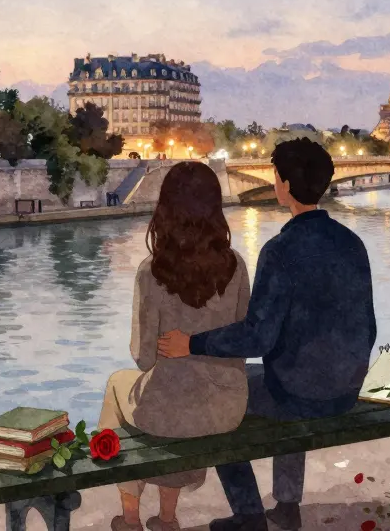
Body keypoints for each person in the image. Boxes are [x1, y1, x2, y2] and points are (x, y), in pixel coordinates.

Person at [157, 138, 376, 531]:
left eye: (276, 176)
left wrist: (192, 343)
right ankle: (287, 506)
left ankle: (249, 514)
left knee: (220, 400)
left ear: (286, 185)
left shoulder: (280, 250)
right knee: (287, 376)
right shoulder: (352, 243)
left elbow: (258, 338)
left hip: (300, 394)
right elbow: (367, 326)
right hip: (346, 389)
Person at [97, 161, 251, 531]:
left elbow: (143, 355)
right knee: (182, 394)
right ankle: (166, 518)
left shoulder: (151, 271)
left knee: (121, 386)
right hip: (227, 408)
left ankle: (131, 516)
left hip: (174, 409)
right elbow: (241, 341)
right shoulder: (237, 266)